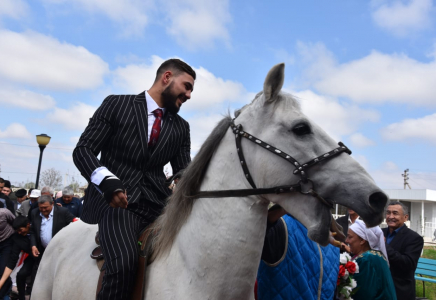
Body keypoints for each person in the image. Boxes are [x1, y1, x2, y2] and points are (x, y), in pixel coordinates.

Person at [73, 58, 195, 300]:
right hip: (117, 205)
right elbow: (83, 150)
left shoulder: (182, 127)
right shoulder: (116, 104)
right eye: (187, 86)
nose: (189, 95)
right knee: (123, 264)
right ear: (167, 77)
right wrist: (106, 180)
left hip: (159, 208)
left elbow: (183, 172)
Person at [257, 205, 340, 300]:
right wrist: (270, 217)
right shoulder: (281, 225)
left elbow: (331, 290)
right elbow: (251, 237)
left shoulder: (332, 238)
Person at [382, 201, 423, 300]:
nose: (391, 216)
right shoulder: (380, 233)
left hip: (399, 291)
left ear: (405, 217)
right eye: (388, 213)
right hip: (378, 288)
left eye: (395, 213)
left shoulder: (414, 238)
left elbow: (408, 263)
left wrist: (383, 246)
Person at [346, 220, 396, 300]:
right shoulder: (376, 255)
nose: (346, 241)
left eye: (350, 237)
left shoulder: (366, 260)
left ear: (362, 240)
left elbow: (362, 294)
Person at [0, 216, 33, 300]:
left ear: (28, 225)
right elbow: (12, 260)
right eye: (17, 231)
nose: (19, 232)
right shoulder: (17, 238)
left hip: (45, 255)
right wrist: (0, 283)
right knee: (20, 275)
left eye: (20, 230)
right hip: (32, 258)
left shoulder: (36, 229)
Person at [0, 208, 15, 298]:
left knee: (2, 270)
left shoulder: (4, 213)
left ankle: (5, 293)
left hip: (8, 240)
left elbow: (16, 222)